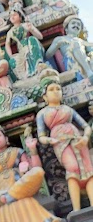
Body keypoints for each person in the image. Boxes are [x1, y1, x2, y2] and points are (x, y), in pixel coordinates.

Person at [36, 78, 93, 211]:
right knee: (72, 167)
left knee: (88, 169)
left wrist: (85, 138)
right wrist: (50, 140)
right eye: (51, 90)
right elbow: (41, 136)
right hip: (60, 142)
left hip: (77, 138)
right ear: (45, 96)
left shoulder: (68, 109)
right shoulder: (42, 113)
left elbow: (86, 126)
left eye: (58, 89)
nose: (56, 92)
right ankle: (77, 208)